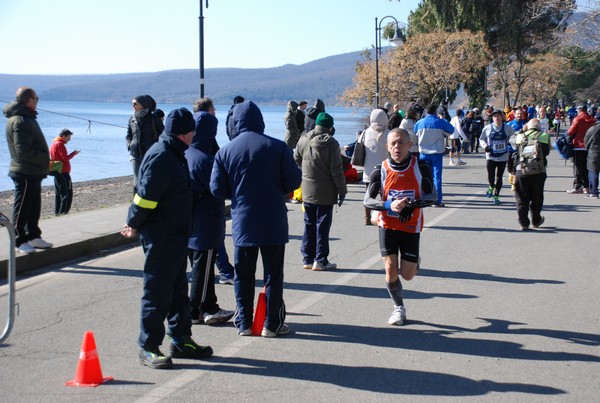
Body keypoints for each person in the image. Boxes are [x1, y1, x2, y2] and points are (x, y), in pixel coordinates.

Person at [121, 108, 213, 370]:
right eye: (192, 131)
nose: (194, 135)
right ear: (184, 134)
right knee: (157, 291)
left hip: (175, 234)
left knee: (177, 291)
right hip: (161, 235)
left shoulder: (175, 152)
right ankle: (148, 346)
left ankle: (181, 339)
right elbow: (145, 197)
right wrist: (132, 223)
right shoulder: (163, 156)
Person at [210, 101, 302, 338]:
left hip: (244, 219)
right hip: (273, 218)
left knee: (243, 274)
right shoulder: (278, 147)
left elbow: (217, 189)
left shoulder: (226, 151)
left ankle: (244, 322)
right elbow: (294, 181)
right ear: (260, 120)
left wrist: (238, 191)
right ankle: (272, 323)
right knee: (273, 274)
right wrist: (276, 190)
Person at [363, 128, 437, 326]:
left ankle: (414, 262)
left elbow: (433, 196)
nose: (397, 147)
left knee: (408, 275)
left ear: (410, 145)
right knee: (390, 269)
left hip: (411, 226)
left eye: (401, 143)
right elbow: (368, 200)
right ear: (387, 146)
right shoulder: (381, 169)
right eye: (393, 143)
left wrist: (411, 205)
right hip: (387, 225)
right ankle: (398, 308)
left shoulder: (420, 167)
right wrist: (389, 205)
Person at [186, 106, 235, 326]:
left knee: (200, 266)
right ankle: (196, 309)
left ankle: (209, 305)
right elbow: (218, 188)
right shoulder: (205, 160)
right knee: (203, 267)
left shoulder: (185, 153)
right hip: (205, 219)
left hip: (189, 218)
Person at [3, 86, 53, 254]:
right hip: (24, 171)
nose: (37, 101)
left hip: (33, 171)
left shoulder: (27, 117)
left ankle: (33, 236)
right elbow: (22, 150)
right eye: (36, 98)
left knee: (33, 206)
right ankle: (18, 240)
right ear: (30, 100)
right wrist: (44, 159)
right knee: (23, 207)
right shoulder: (20, 120)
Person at [294, 112, 347, 271]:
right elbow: (336, 170)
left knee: (309, 223)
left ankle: (307, 258)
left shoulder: (304, 139)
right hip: (326, 191)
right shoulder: (332, 144)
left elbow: (296, 158)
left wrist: (305, 172)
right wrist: (341, 190)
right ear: (330, 127)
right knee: (322, 226)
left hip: (307, 189)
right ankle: (321, 259)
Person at [509, 118, 550, 230]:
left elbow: (513, 147)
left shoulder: (519, 137)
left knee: (521, 197)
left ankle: (523, 222)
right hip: (538, 171)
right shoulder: (544, 136)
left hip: (521, 171)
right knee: (537, 197)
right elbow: (546, 152)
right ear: (538, 127)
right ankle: (536, 220)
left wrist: (522, 130)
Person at [414, 103, 454, 207]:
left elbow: (415, 132)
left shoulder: (420, 123)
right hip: (437, 153)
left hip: (423, 153)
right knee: (437, 177)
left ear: (426, 111)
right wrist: (443, 119)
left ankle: (425, 198)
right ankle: (437, 200)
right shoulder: (440, 122)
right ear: (435, 111)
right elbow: (451, 130)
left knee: (424, 176)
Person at [126, 94, 164, 194]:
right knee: (137, 179)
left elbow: (164, 134)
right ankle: (136, 202)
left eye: (135, 104)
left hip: (150, 154)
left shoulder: (153, 118)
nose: (133, 106)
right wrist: (129, 145)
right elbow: (128, 135)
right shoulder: (132, 119)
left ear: (143, 104)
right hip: (135, 154)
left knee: (149, 179)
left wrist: (158, 149)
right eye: (132, 104)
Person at [479, 109, 515, 205]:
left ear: (502, 117)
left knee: (499, 177)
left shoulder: (507, 128)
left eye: (498, 116)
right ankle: (491, 186)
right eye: (495, 116)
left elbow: (514, 137)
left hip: (503, 156)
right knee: (491, 177)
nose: (497, 118)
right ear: (492, 118)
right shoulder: (487, 128)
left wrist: (511, 145)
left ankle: (496, 196)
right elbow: (481, 139)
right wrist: (485, 146)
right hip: (490, 156)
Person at [362, 109, 390, 224]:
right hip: (385, 169)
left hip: (369, 169)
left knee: (369, 193)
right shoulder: (389, 133)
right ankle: (384, 216)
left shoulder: (365, 133)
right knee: (385, 194)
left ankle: (367, 217)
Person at [49, 129, 80, 215]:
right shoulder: (60, 144)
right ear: (64, 136)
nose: (69, 139)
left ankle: (57, 212)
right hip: (63, 172)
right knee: (66, 193)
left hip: (56, 170)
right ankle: (63, 212)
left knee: (58, 193)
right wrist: (74, 153)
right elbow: (65, 158)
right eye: (68, 137)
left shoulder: (53, 144)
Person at [566, 105, 596, 194]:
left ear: (579, 110)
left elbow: (570, 132)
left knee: (578, 168)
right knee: (587, 167)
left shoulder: (578, 119)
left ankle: (577, 186)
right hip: (589, 146)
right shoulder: (592, 120)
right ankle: (586, 187)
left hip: (578, 146)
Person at [584, 119, 600, 198]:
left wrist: (588, 149)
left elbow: (586, 141)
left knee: (593, 172)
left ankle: (594, 191)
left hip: (594, 152)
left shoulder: (593, 129)